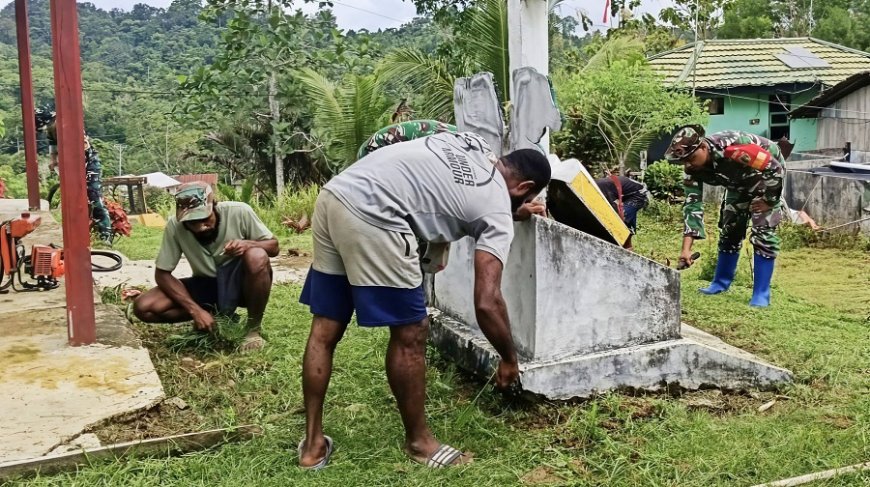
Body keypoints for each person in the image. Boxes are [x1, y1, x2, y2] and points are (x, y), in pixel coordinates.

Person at [297, 131, 551, 469]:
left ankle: (312, 446)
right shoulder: (497, 215)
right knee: (412, 331)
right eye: (523, 198)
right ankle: (420, 443)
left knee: (326, 326)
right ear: (524, 188)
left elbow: (459, 186)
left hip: (336, 195)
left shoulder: (469, 143)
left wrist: (511, 209)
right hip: (377, 213)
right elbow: (487, 302)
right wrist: (508, 358)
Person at [133, 182, 278, 351]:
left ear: (214, 206)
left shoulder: (240, 211)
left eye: (205, 219)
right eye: (192, 223)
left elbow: (274, 247)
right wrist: (195, 310)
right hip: (206, 284)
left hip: (241, 283)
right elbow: (162, 274)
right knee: (144, 307)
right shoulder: (175, 226)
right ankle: (211, 316)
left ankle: (253, 329)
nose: (201, 227)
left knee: (256, 255)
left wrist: (247, 244)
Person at [665, 125, 785, 307]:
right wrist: (686, 249)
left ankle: (761, 294)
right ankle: (720, 283)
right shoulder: (692, 169)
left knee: (763, 232)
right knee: (730, 229)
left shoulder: (733, 148)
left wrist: (769, 200)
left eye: (690, 158)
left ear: (703, 147)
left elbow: (774, 169)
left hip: (764, 180)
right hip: (737, 185)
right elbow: (692, 205)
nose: (688, 164)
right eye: (683, 161)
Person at [35, 105, 113, 245]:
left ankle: (105, 234)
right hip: (70, 165)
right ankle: (81, 232)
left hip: (89, 163)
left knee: (93, 195)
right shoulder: (51, 129)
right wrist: (54, 161)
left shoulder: (68, 124)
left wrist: (69, 159)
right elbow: (53, 146)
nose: (45, 130)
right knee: (74, 199)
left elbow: (83, 146)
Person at [595, 174, 649, 250]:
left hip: (639, 194)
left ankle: (625, 248)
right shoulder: (595, 183)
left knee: (620, 219)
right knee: (625, 219)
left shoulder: (599, 187)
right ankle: (627, 247)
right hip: (631, 193)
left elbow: (612, 206)